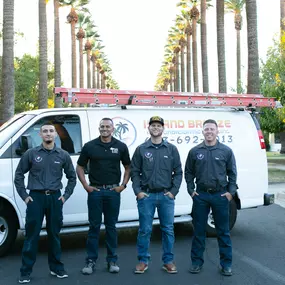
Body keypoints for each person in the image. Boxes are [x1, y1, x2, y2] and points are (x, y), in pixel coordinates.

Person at [14, 123, 77, 284]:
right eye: (45, 131)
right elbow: (19, 174)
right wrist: (25, 196)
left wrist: (65, 196)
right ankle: (25, 271)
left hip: (55, 198)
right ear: (40, 135)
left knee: (54, 235)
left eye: (51, 131)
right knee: (31, 236)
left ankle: (56, 268)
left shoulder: (62, 155)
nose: (48, 134)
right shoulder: (31, 154)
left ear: (55, 135)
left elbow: (72, 177)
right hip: (36, 198)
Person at [76, 117, 131, 275]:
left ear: (113, 129)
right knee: (93, 227)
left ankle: (112, 260)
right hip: (96, 192)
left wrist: (123, 185)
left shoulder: (120, 146)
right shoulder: (90, 146)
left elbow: (128, 167)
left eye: (107, 126)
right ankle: (90, 261)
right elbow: (79, 167)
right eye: (102, 126)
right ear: (98, 128)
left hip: (113, 192)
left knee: (111, 227)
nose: (105, 129)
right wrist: (86, 186)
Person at [185, 119, 237, 276]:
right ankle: (196, 263)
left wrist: (230, 193)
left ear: (217, 131)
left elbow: (232, 173)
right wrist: (191, 190)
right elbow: (188, 172)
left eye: (212, 129)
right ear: (202, 132)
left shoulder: (226, 151)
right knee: (199, 232)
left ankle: (226, 264)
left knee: (223, 232)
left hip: (220, 195)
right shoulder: (194, 151)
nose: (209, 132)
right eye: (206, 129)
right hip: (201, 196)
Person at [131, 116, 182, 274]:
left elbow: (178, 172)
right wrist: (138, 191)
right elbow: (134, 171)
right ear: (149, 128)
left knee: (168, 229)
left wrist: (173, 192)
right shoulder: (141, 149)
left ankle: (168, 261)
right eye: (153, 125)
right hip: (147, 196)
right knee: (145, 230)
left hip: (166, 197)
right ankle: (143, 261)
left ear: (163, 129)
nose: (155, 128)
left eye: (158, 125)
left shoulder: (171, 149)